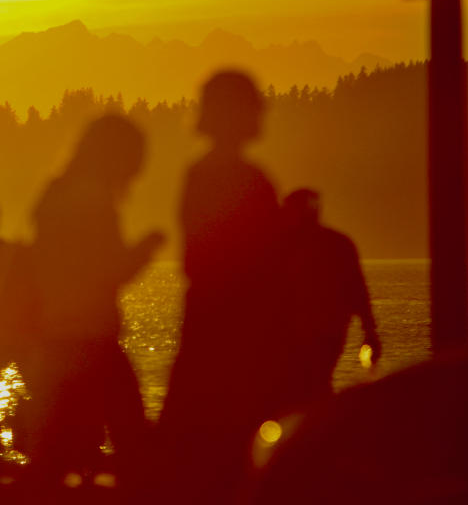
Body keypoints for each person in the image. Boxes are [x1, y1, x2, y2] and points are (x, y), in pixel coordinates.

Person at [26, 114, 165, 498]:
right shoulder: (94, 202)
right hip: (90, 337)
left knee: (53, 448)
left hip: (56, 333)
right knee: (130, 434)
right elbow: (109, 269)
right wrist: (148, 247)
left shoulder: (56, 194)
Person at [158, 70, 280, 505]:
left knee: (192, 441)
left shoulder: (200, 175)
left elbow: (194, 257)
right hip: (239, 332)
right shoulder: (251, 181)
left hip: (207, 324)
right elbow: (266, 264)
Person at [275, 188, 382, 413]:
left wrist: (369, 329)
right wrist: (369, 330)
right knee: (314, 387)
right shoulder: (337, 244)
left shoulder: (283, 246)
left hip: (310, 333)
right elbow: (358, 290)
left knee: (304, 388)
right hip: (320, 332)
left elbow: (356, 289)